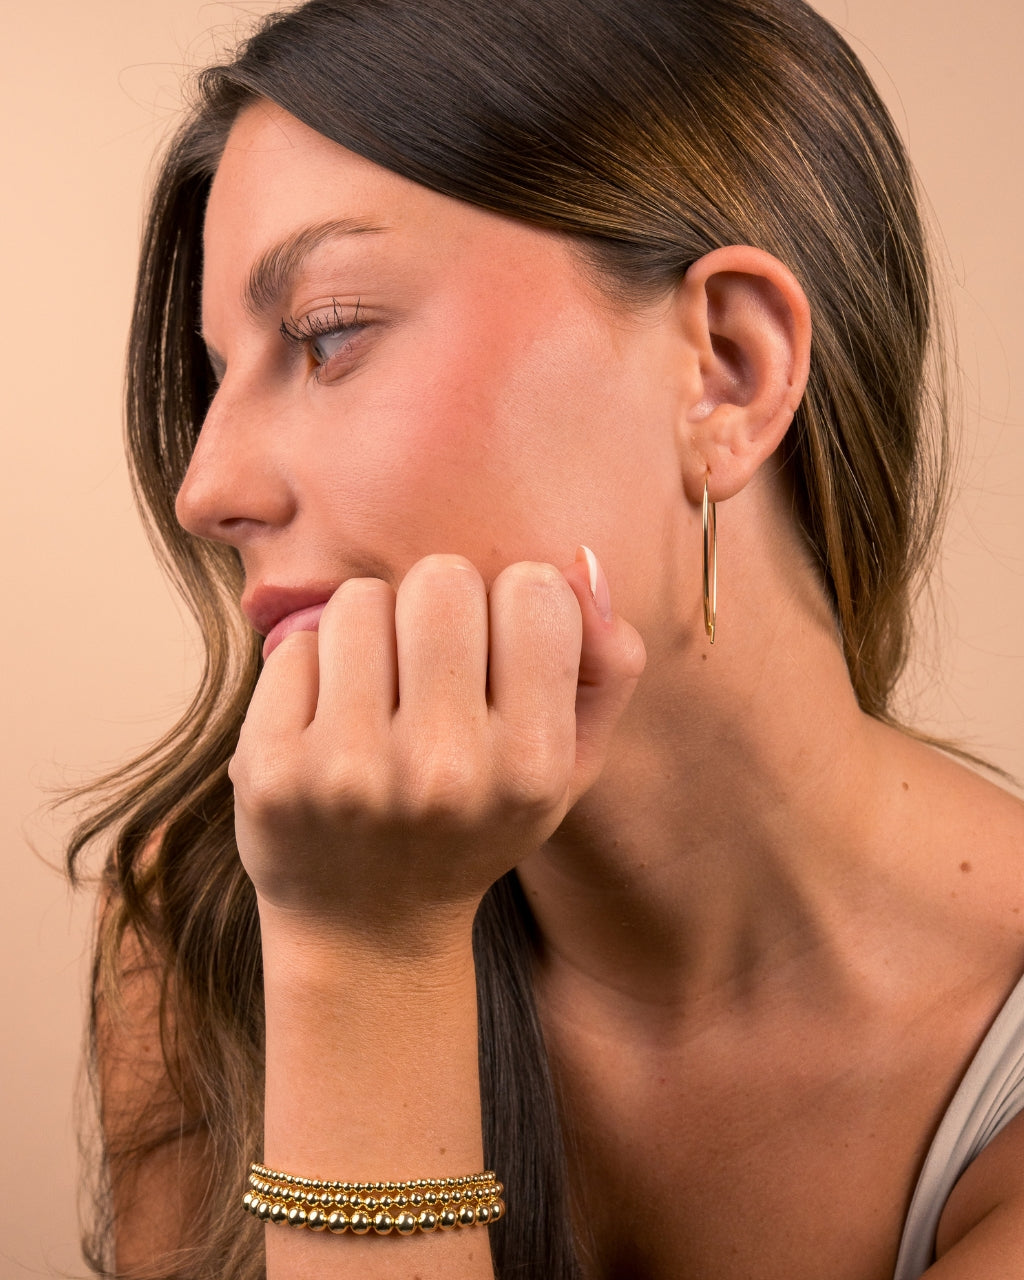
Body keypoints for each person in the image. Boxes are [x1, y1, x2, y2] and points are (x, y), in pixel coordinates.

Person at [67, 0, 1024, 1277]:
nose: (208, 486)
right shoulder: (215, 918)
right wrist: (348, 948)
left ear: (726, 371)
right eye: (218, 372)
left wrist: (371, 956)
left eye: (327, 331)